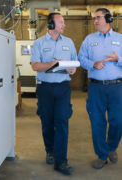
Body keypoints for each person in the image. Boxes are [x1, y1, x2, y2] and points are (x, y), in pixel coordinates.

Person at [30, 12, 77, 175]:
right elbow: (35, 66)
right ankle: (50, 150)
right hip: (45, 88)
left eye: (64, 22)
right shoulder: (39, 43)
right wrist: (54, 63)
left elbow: (74, 64)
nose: (64, 25)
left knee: (62, 122)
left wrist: (72, 69)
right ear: (51, 24)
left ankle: (61, 161)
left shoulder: (69, 43)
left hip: (63, 88)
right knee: (47, 122)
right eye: (61, 22)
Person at [78, 8, 122, 169]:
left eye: (98, 17)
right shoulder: (89, 40)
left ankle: (112, 147)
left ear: (108, 19)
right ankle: (102, 155)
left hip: (117, 87)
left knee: (118, 121)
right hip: (96, 88)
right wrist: (93, 64)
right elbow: (81, 58)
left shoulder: (120, 38)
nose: (95, 21)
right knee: (97, 122)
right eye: (94, 18)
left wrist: (118, 58)